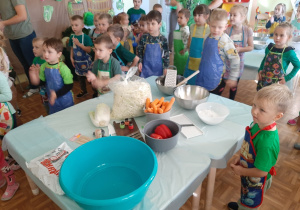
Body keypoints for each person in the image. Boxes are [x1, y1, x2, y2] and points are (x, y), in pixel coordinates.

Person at [227, 84, 293, 210]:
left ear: (278, 116)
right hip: (248, 172)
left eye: (262, 110)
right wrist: (242, 158)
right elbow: (250, 146)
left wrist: (241, 171)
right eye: (254, 105)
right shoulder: (258, 123)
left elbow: (262, 172)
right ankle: (242, 204)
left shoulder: (267, 143)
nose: (254, 111)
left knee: (250, 204)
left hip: (257, 181)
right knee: (245, 196)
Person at [195, 8, 240, 93]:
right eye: (213, 26)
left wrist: (233, 77)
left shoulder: (226, 41)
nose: (216, 30)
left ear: (225, 26)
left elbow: (235, 59)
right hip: (203, 72)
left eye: (220, 27)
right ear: (209, 24)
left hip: (216, 77)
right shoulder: (207, 36)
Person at [0, 0, 38, 98]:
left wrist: (3, 23)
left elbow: (22, 16)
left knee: (32, 63)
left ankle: (38, 86)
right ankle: (33, 85)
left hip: (25, 35)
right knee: (25, 63)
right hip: (13, 36)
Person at [217, 5, 254, 100]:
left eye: (234, 15)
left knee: (233, 86)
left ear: (242, 17)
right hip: (226, 62)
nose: (231, 17)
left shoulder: (247, 30)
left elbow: (251, 47)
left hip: (238, 63)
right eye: (230, 15)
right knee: (221, 84)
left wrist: (240, 49)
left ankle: (231, 101)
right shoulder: (227, 30)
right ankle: (216, 99)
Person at [29, 38, 74, 114]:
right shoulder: (43, 66)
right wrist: (34, 76)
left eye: (49, 52)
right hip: (52, 99)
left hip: (65, 99)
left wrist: (56, 94)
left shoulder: (63, 68)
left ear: (58, 54)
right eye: (44, 51)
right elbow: (41, 82)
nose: (45, 54)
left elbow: (69, 85)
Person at [257, 22, 300, 91]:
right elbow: (264, 60)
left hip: (276, 84)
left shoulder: (289, 52)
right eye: (275, 34)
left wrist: (287, 78)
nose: (277, 38)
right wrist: (260, 70)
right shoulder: (269, 48)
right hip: (263, 81)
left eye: (281, 35)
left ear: (289, 37)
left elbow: (298, 65)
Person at [0, 72, 20, 201]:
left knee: (13, 143)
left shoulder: (0, 76)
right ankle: (12, 157)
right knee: (5, 144)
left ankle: (18, 160)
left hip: (5, 117)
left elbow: (8, 95)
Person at [137, 10, 169, 78]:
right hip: (145, 69)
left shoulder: (163, 39)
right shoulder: (144, 38)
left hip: (158, 69)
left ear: (159, 24)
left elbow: (166, 54)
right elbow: (139, 51)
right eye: (148, 23)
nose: (150, 26)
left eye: (153, 23)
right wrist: (139, 62)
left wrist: (166, 67)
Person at [183, 4, 210, 85]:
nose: (196, 17)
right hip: (191, 58)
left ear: (206, 16)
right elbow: (189, 40)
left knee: (198, 82)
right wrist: (186, 48)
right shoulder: (191, 26)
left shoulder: (209, 29)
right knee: (188, 80)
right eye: (195, 15)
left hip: (202, 60)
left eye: (199, 15)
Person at [69, 15, 93, 98]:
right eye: (72, 25)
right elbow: (72, 48)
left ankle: (95, 91)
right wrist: (71, 57)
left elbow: (89, 50)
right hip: (77, 62)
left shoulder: (85, 37)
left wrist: (79, 44)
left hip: (86, 62)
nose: (74, 27)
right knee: (80, 79)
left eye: (76, 25)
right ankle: (84, 91)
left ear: (82, 26)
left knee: (90, 78)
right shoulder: (72, 37)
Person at [30, 37, 48, 113]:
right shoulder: (36, 59)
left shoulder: (49, 60)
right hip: (42, 88)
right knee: (46, 105)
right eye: (33, 47)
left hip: (50, 87)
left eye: (36, 47)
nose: (33, 49)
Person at [173, 8, 190, 75]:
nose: (178, 19)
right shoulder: (180, 29)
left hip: (182, 56)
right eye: (178, 17)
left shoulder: (185, 30)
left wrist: (185, 50)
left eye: (181, 18)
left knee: (181, 73)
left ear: (187, 19)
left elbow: (189, 42)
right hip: (177, 56)